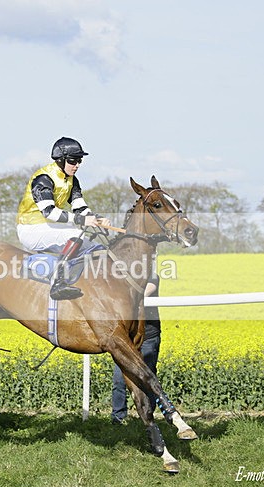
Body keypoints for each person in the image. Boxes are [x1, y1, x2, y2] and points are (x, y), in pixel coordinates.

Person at [16, 137, 109, 300]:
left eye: (80, 161)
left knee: (90, 243)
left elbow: (80, 207)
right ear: (61, 160)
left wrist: (96, 218)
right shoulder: (43, 179)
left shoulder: (72, 180)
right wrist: (81, 220)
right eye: (73, 161)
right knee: (73, 234)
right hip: (30, 229)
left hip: (48, 228)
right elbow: (49, 212)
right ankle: (58, 283)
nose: (77, 165)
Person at [111, 274, 161, 425]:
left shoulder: (152, 277)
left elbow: (142, 294)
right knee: (119, 379)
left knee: (148, 378)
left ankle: (148, 417)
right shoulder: (122, 278)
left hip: (149, 336)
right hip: (127, 339)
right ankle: (118, 417)